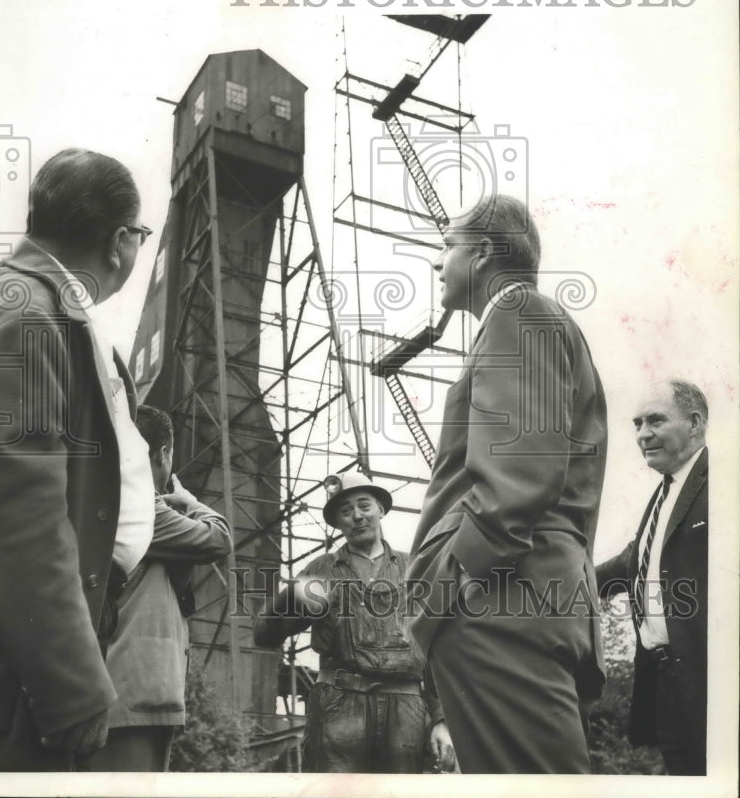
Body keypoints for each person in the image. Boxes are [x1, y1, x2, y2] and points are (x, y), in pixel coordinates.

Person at [406, 194, 608, 774]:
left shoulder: (519, 312)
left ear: (484, 253)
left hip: (499, 606)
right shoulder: (529, 318)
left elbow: (518, 480)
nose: (437, 263)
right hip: (516, 600)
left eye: (447, 246)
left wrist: (446, 586)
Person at [0, 148, 154, 770]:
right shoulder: (28, 311)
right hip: (12, 665)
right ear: (119, 240)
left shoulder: (24, 301)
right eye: (140, 235)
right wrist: (71, 684)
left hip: (19, 644)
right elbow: (17, 512)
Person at [253, 472, 456, 774]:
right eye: (345, 511)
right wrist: (291, 596)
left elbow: (434, 651)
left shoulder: (414, 569)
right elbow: (264, 636)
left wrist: (441, 719)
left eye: (364, 506)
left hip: (404, 711)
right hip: (339, 708)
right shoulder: (320, 570)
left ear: (381, 510)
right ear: (337, 523)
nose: (357, 516)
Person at [88, 405, 232, 771]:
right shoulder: (142, 508)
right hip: (135, 697)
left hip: (129, 695)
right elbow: (219, 538)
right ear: (164, 454)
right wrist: (190, 502)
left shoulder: (104, 499)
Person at [597, 380, 708, 775]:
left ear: (694, 424)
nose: (643, 434)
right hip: (666, 683)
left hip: (711, 684)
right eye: (638, 423)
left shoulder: (723, 484)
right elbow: (632, 564)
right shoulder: (665, 495)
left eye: (656, 420)